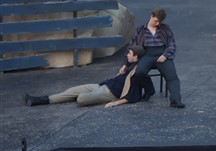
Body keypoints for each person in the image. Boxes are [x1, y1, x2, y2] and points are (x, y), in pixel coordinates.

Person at [24, 45, 155, 108]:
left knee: (80, 99)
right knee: (72, 90)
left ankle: (83, 97)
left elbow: (133, 95)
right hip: (102, 85)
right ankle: (38, 100)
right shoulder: (128, 64)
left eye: (130, 53)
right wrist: (123, 67)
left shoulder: (137, 73)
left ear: (136, 57)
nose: (127, 55)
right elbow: (126, 64)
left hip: (111, 94)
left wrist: (115, 103)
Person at [130, 7, 185, 108]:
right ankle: (149, 90)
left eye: (160, 21)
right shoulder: (141, 30)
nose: (158, 23)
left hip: (162, 53)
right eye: (156, 21)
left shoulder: (165, 29)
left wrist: (165, 55)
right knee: (139, 72)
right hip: (147, 54)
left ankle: (175, 100)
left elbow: (172, 44)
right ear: (152, 16)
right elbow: (132, 47)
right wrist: (126, 63)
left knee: (172, 75)